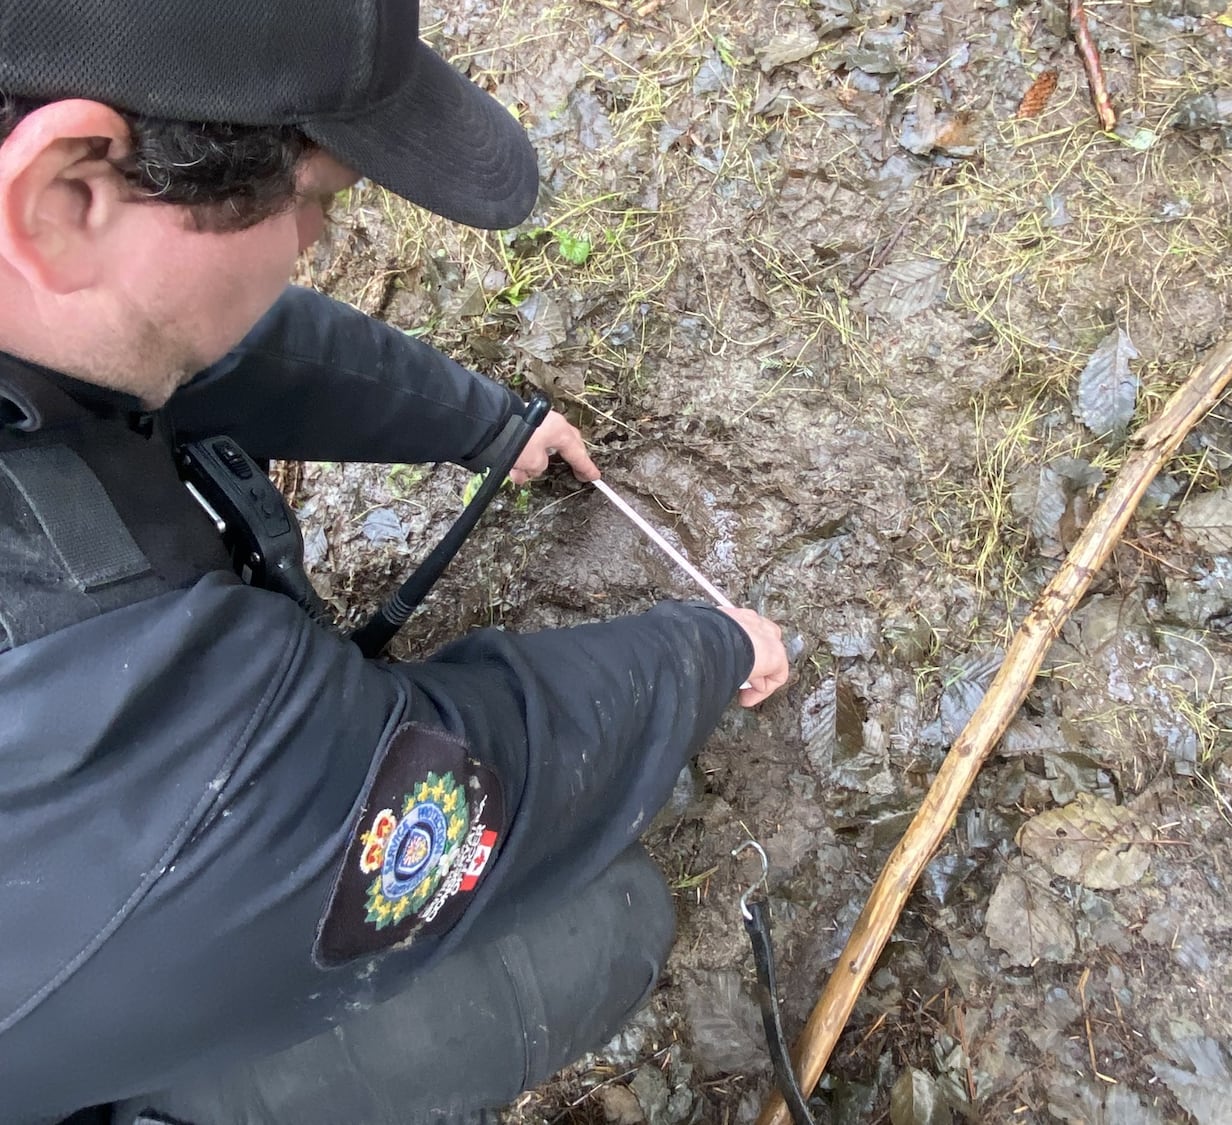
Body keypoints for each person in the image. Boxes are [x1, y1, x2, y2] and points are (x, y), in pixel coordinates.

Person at [0, 2, 790, 1124]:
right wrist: (711, 648)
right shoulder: (102, 723)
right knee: (598, 925)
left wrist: (480, 423)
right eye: (317, 198)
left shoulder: (42, 278)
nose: (315, 236)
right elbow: (451, 794)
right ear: (66, 192)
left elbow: (178, 330)